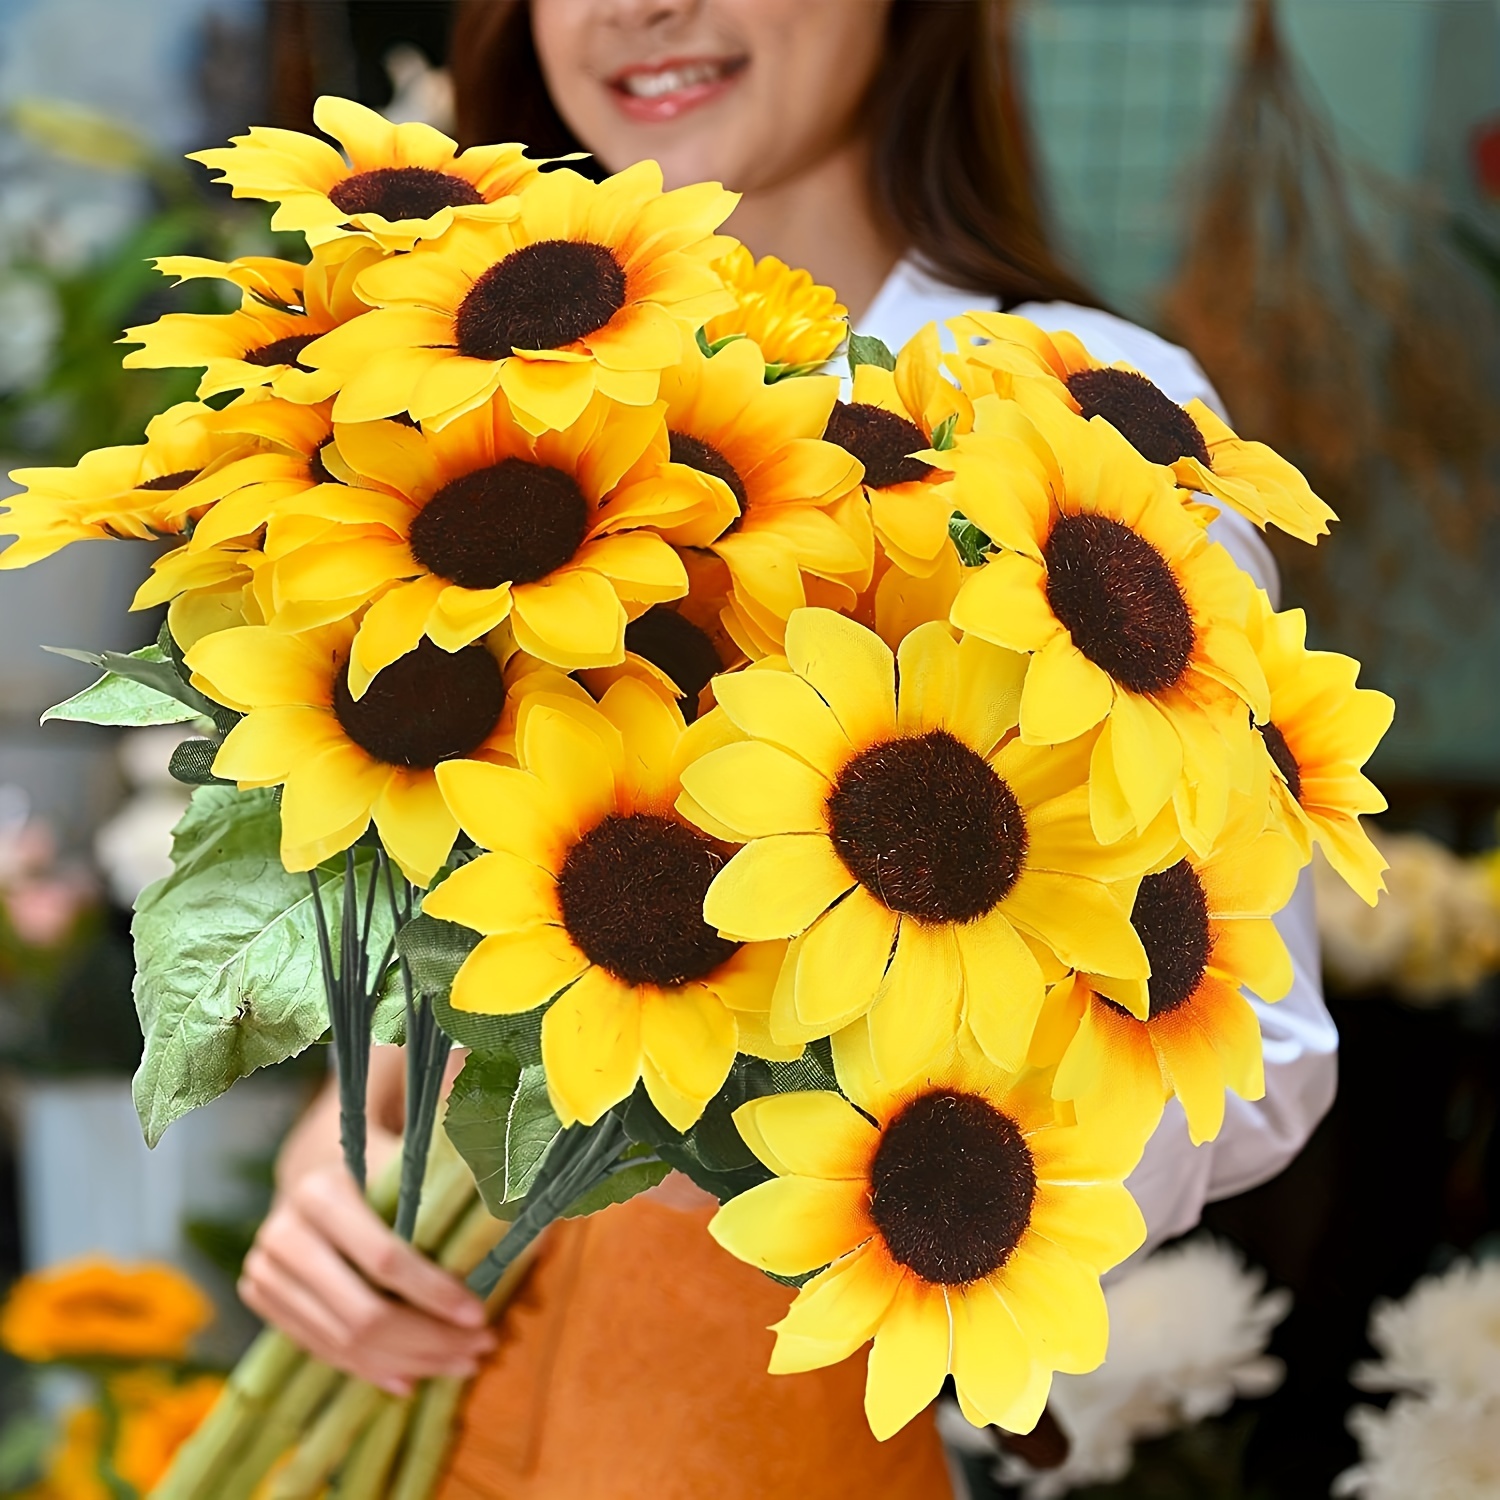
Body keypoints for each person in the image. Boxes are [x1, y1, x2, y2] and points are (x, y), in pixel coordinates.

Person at [240, 3, 1337, 1495]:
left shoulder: (1084, 415)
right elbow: (449, 880)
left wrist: (889, 1179)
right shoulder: (464, 376)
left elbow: (1256, 1048)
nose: (643, 9)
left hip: (784, 1392)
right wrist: (350, 1147)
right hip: (447, 1373)